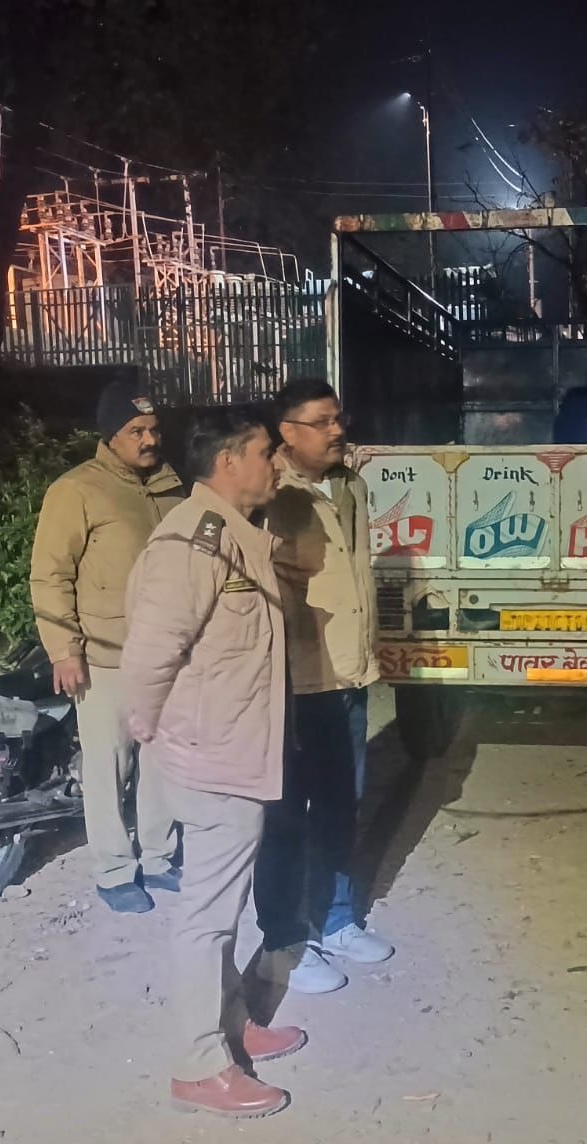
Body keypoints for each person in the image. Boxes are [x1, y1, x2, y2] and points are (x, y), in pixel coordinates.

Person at [120, 406, 305, 1119]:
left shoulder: (234, 534)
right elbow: (149, 656)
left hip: (233, 748)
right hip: (213, 755)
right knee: (208, 915)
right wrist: (158, 735)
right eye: (264, 452)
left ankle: (232, 1023)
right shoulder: (191, 544)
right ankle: (198, 1064)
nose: (275, 464)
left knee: (220, 907)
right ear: (228, 461)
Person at [253, 378, 391, 996]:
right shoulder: (270, 493)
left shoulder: (350, 484)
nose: (338, 430)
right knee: (286, 817)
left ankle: (334, 919)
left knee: (341, 805)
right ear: (287, 432)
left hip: (349, 674)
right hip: (295, 682)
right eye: (322, 422)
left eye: (339, 418)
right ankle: (285, 941)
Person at [30, 376, 185, 913]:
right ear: (111, 435)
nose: (149, 439)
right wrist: (63, 649)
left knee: (162, 761)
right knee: (109, 765)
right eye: (136, 430)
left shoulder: (171, 488)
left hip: (165, 656)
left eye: (154, 429)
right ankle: (115, 871)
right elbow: (50, 574)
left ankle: (160, 857)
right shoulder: (76, 491)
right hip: (104, 656)